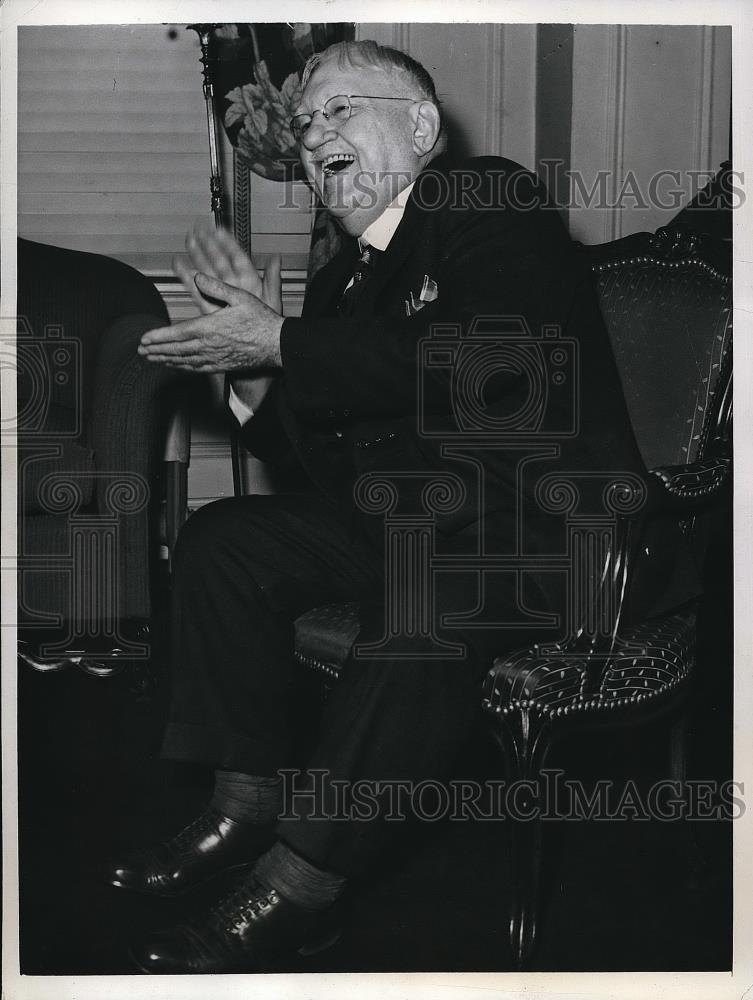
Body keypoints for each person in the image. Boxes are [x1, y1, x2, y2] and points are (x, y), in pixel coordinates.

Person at [113, 39, 696, 974]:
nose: (312, 136)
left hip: (558, 533)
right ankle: (242, 806)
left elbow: (494, 363)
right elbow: (339, 472)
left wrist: (283, 343)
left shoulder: (484, 202)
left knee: (425, 597)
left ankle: (301, 888)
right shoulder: (347, 279)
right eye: (304, 125)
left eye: (339, 110)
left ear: (419, 129)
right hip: (423, 522)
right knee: (226, 540)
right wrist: (257, 384)